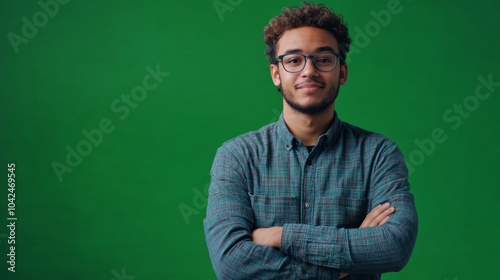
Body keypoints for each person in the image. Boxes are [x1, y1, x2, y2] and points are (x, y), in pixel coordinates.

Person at [203, 2, 418, 279]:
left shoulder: (379, 154)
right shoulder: (237, 156)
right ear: (275, 74)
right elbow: (230, 262)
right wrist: (339, 269)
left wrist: (281, 235)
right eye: (293, 60)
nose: (309, 71)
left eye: (324, 59)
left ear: (342, 72)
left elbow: (394, 246)